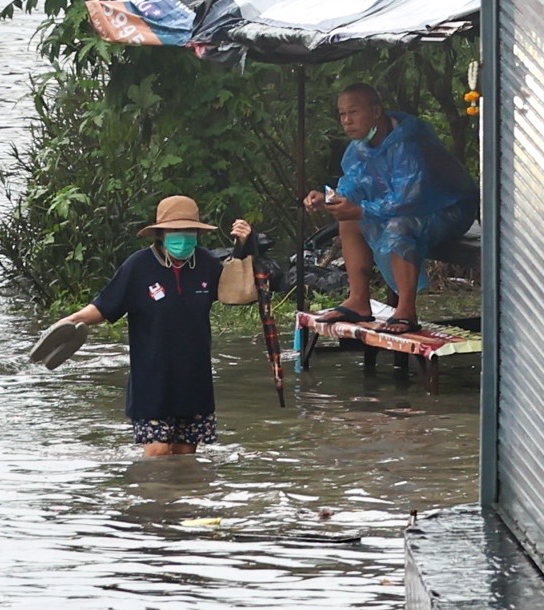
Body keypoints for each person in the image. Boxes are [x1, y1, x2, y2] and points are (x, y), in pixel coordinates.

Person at [53, 196, 252, 457]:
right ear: (161, 234)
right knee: (157, 454)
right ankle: (152, 498)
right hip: (152, 379)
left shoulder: (205, 264)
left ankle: (185, 498)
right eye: (175, 231)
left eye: (188, 231)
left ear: (197, 233)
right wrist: (69, 322)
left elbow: (237, 293)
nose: (182, 238)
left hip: (194, 377)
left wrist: (243, 247)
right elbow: (104, 306)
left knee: (185, 457)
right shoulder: (138, 266)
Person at [301, 84, 478, 333]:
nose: (346, 121)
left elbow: (408, 199)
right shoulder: (360, 146)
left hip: (450, 209)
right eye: (342, 114)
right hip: (404, 207)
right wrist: (328, 199)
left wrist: (361, 210)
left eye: (353, 112)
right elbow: (352, 186)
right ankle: (358, 300)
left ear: (375, 111)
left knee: (399, 225)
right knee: (348, 220)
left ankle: (406, 310)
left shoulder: (408, 143)